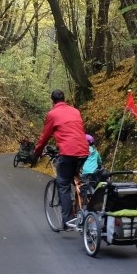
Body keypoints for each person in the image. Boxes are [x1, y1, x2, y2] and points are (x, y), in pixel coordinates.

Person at [33, 90, 90, 230]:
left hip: (68, 152)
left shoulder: (52, 114)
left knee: (63, 183)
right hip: (84, 150)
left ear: (52, 101)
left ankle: (68, 220)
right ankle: (84, 205)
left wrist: (37, 153)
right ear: (64, 99)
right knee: (76, 178)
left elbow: (44, 137)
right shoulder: (75, 111)